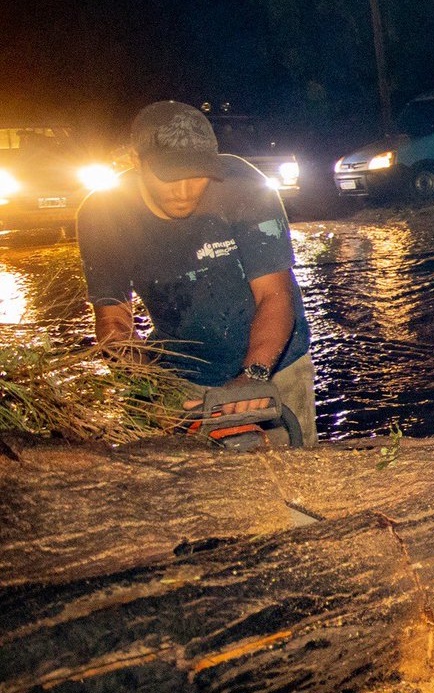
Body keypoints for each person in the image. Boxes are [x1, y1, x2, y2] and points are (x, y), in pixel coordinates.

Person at [76, 101, 317, 446]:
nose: (185, 190)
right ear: (136, 161)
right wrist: (149, 387)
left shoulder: (245, 189)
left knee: (301, 474)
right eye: (169, 176)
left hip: (277, 364)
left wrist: (254, 375)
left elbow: (274, 294)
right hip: (181, 375)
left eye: (198, 174)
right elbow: (114, 323)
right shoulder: (103, 215)